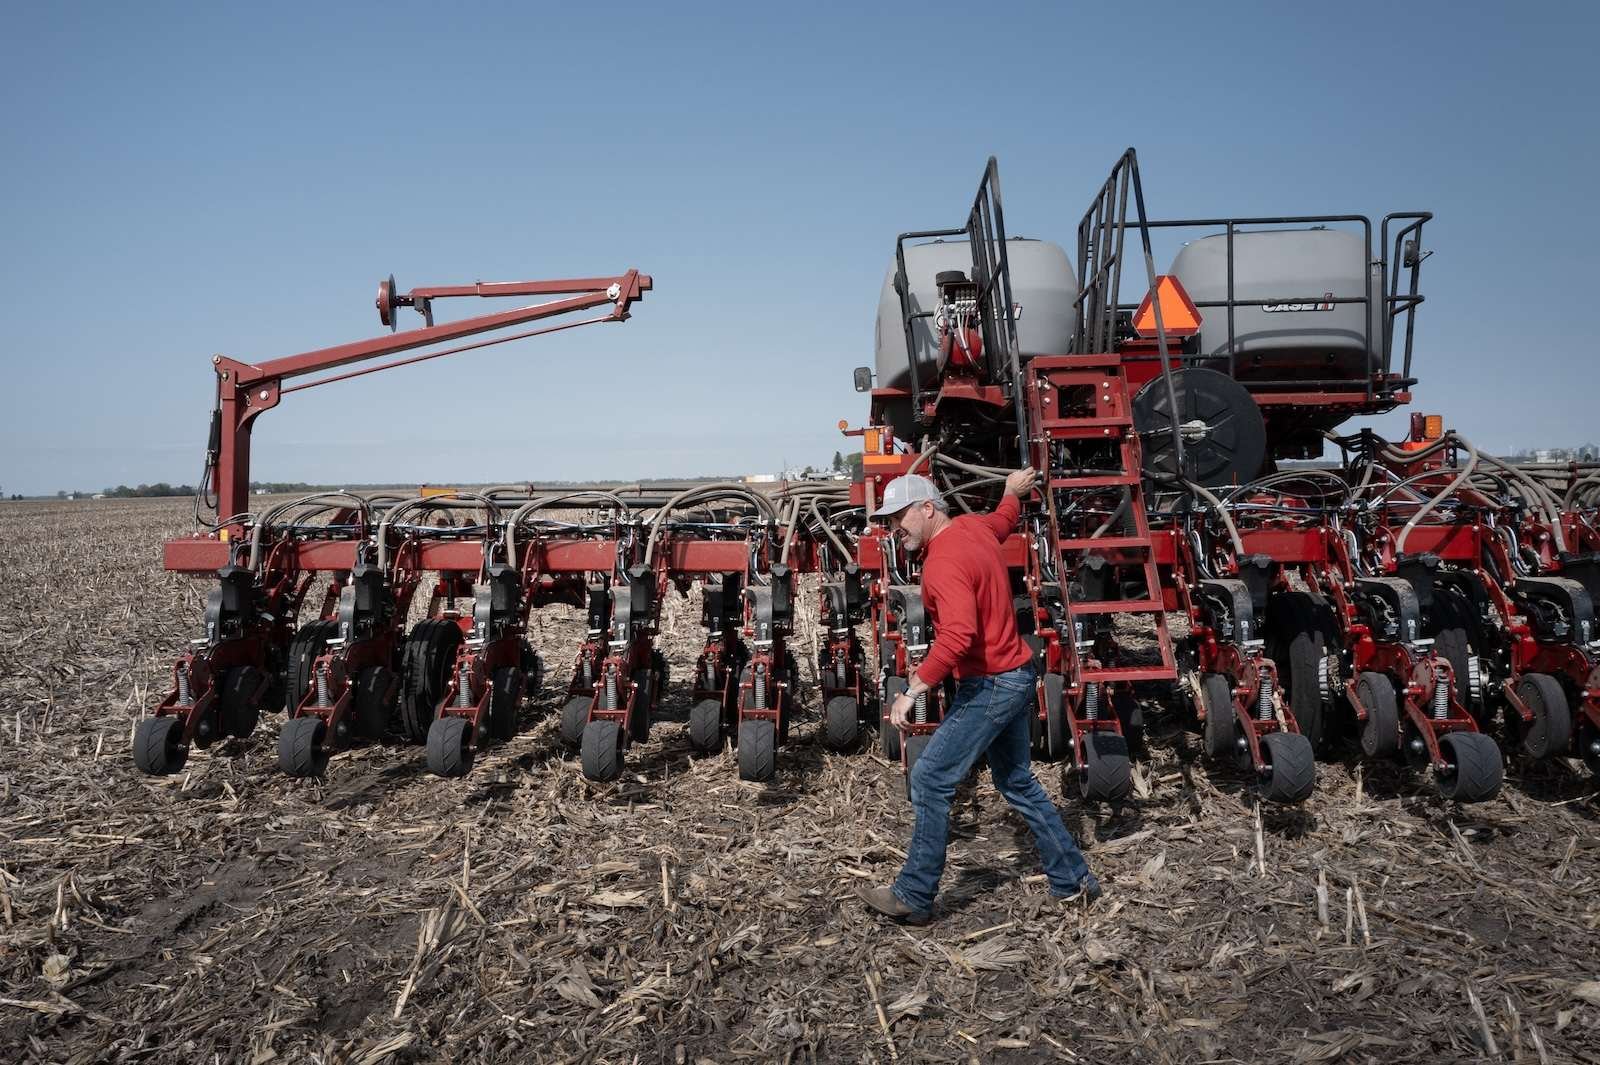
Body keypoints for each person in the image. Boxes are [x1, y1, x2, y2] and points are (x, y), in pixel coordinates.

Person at [857, 469, 1099, 924]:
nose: (894, 530)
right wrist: (1012, 491)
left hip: (991, 684)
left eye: (899, 517)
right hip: (1017, 673)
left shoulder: (942, 562)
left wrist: (913, 689)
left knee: (929, 778)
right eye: (889, 522)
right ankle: (1074, 880)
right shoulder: (974, 528)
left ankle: (914, 893)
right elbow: (1005, 517)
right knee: (1016, 781)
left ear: (928, 508)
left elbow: (959, 635)